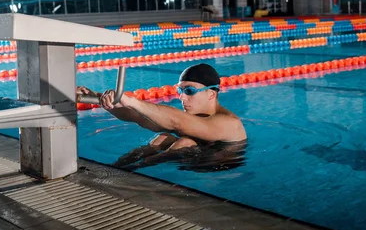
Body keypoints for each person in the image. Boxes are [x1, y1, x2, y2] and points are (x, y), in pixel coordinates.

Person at [77, 63, 247, 171]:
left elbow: (177, 121)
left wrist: (133, 101)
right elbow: (136, 117)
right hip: (194, 157)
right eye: (180, 91)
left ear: (211, 94)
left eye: (189, 91)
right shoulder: (190, 116)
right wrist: (98, 98)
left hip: (217, 166)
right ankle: (113, 169)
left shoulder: (229, 123)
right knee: (162, 138)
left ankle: (130, 172)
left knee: (184, 142)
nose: (182, 97)